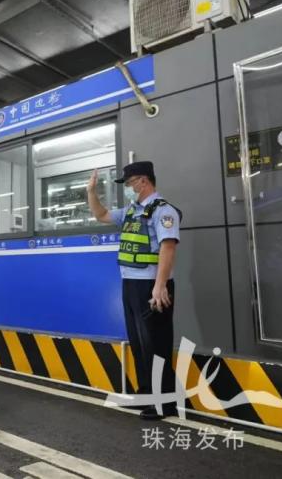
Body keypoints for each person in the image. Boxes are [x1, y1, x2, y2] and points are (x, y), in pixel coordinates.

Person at [87, 161, 181, 420]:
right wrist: (91, 192)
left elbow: (168, 247)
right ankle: (145, 396)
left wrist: (160, 286)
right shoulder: (132, 211)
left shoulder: (163, 210)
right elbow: (101, 215)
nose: (128, 188)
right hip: (130, 284)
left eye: (129, 183)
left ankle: (165, 403)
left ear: (143, 181)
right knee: (140, 343)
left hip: (152, 285)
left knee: (156, 344)